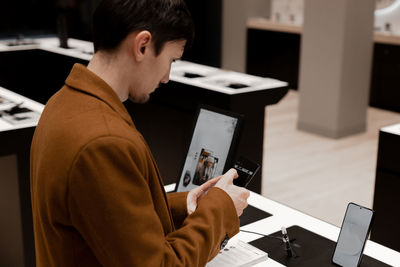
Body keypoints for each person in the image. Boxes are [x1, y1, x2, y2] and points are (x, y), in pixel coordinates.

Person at [30, 0, 250, 266]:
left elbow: (107, 218)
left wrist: (186, 204)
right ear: (142, 45)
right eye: (171, 59)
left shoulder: (62, 103)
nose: (167, 77)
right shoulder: (103, 142)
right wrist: (221, 206)